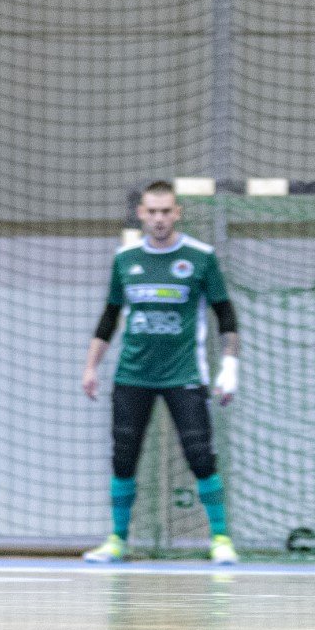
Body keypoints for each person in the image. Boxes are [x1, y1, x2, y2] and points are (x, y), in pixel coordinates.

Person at [81, 180, 240, 565]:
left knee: (200, 456)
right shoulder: (125, 259)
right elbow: (109, 316)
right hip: (132, 375)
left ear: (177, 213)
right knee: (123, 457)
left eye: (166, 211)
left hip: (184, 374)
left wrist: (230, 366)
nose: (159, 219)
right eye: (152, 212)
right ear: (141, 214)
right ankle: (118, 539)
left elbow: (226, 313)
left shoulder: (201, 257)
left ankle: (220, 538)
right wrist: (91, 367)